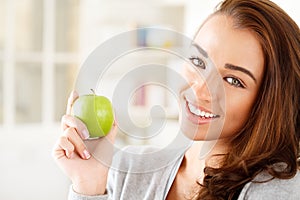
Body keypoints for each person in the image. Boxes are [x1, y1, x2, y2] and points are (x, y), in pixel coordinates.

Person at [52, 0, 300, 199]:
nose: (199, 88)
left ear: (269, 102)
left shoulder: (278, 189)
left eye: (233, 80)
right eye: (198, 62)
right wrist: (88, 185)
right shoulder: (128, 168)